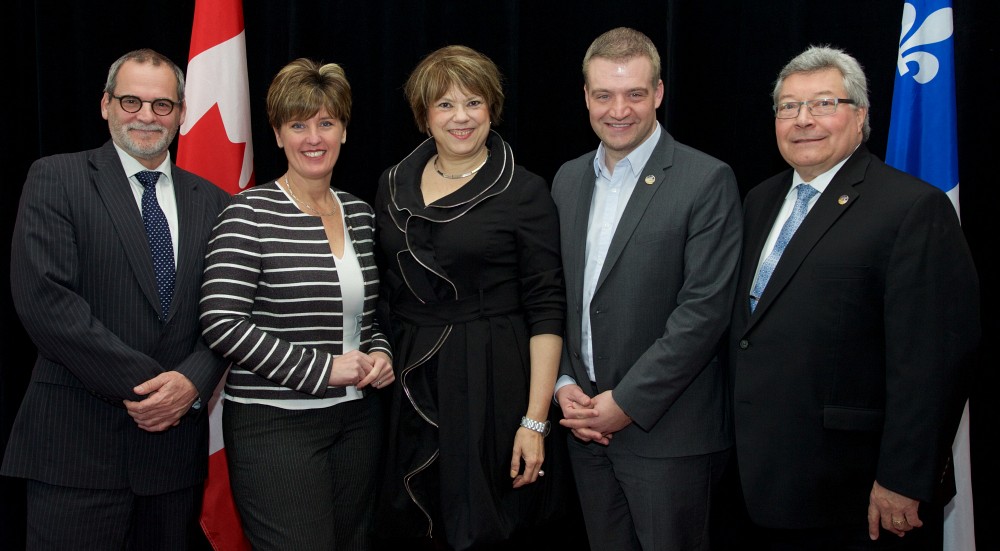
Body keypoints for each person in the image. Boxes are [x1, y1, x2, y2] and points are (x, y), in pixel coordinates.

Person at [729, 45, 980, 550]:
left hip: (853, 487)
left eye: (823, 103)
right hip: (757, 476)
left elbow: (932, 361)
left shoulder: (911, 208)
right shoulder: (758, 199)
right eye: (789, 106)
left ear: (861, 115)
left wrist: (903, 479)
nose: (803, 120)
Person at [1, 48, 230, 549]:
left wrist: (191, 383)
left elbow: (228, 314)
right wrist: (160, 392)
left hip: (172, 467)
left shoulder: (215, 202)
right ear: (105, 104)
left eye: (162, 105)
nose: (147, 116)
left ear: (182, 113)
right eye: (131, 101)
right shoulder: (56, 178)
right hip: (75, 454)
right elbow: (46, 302)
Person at [551, 27, 742, 551]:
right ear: (585, 97)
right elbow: (557, 296)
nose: (619, 109)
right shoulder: (567, 180)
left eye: (635, 94)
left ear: (658, 94)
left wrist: (627, 402)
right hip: (585, 430)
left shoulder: (706, 179)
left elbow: (703, 312)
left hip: (669, 438)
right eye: (604, 95)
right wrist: (564, 385)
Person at [374, 45, 567, 551]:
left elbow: (547, 307)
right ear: (424, 115)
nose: (460, 117)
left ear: (492, 109)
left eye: (474, 102)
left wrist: (535, 420)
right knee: (412, 520)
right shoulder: (390, 185)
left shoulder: (524, 191)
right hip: (409, 375)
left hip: (492, 377)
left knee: (484, 523)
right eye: (445, 104)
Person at [199, 58, 394, 550]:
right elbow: (221, 322)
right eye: (298, 124)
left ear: (344, 131)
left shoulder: (361, 213)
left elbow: (369, 315)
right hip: (274, 424)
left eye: (326, 123)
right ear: (278, 134)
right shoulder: (248, 212)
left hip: (357, 423)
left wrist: (381, 354)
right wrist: (323, 369)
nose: (314, 137)